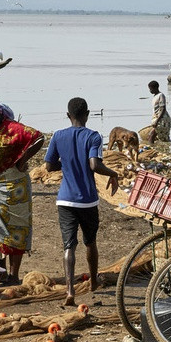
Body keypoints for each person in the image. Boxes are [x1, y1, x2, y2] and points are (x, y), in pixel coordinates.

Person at [44, 97, 119, 306]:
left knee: (69, 245)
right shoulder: (93, 136)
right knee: (90, 241)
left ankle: (70, 291)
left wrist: (66, 164)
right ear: (87, 114)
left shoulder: (58, 136)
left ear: (68, 115)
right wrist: (113, 173)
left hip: (65, 200)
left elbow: (49, 166)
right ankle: (93, 281)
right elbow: (94, 165)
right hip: (87, 200)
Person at [0, 98, 45, 284]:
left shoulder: (12, 128)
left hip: (12, 188)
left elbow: (38, 137)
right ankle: (1, 272)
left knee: (13, 231)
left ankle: (13, 275)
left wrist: (23, 160)